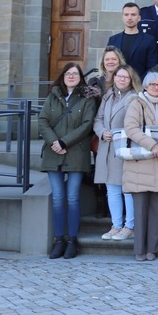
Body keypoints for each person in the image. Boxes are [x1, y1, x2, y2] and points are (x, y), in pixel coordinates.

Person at [37, 63, 99, 258]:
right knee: (57, 199)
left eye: (75, 74)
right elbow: (43, 120)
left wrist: (64, 141)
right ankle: (58, 240)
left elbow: (87, 125)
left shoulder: (87, 98)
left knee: (72, 198)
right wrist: (54, 141)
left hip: (76, 152)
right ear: (62, 76)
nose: (71, 76)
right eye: (68, 73)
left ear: (81, 77)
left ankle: (72, 240)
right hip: (53, 152)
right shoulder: (53, 95)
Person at [122, 71, 158, 261]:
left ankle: (153, 248)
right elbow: (131, 128)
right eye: (152, 84)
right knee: (140, 209)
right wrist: (153, 146)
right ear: (145, 86)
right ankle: (139, 249)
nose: (156, 87)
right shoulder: (136, 102)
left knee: (156, 209)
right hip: (142, 161)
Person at [94, 65, 139, 242]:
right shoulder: (108, 96)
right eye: (119, 76)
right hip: (107, 147)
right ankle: (116, 225)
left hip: (124, 147)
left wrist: (119, 133)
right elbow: (98, 119)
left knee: (127, 189)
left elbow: (136, 122)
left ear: (131, 79)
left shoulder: (134, 97)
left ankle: (130, 226)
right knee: (112, 189)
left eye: (126, 77)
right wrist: (101, 131)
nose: (121, 79)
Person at [107, 3, 158, 79]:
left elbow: (152, 67)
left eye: (133, 15)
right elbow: (108, 64)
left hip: (140, 84)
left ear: (139, 18)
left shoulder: (149, 40)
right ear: (122, 17)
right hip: (117, 83)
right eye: (126, 15)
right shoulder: (113, 40)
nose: (129, 18)